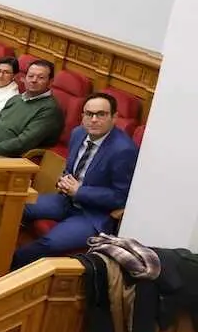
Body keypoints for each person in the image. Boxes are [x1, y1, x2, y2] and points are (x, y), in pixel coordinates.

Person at [12, 93, 138, 269]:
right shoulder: (78, 133)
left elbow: (121, 197)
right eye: (89, 114)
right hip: (65, 200)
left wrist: (80, 191)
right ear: (82, 116)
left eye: (101, 114)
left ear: (114, 117)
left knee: (50, 243)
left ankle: (8, 268)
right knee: (13, 205)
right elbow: (70, 169)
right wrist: (63, 180)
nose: (93, 120)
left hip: (93, 214)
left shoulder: (123, 150)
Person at [0, 60, 64, 157]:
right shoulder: (16, 99)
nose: (34, 80)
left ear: (50, 82)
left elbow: (23, 142)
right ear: (25, 78)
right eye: (30, 76)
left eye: (41, 77)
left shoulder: (50, 110)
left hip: (7, 158)